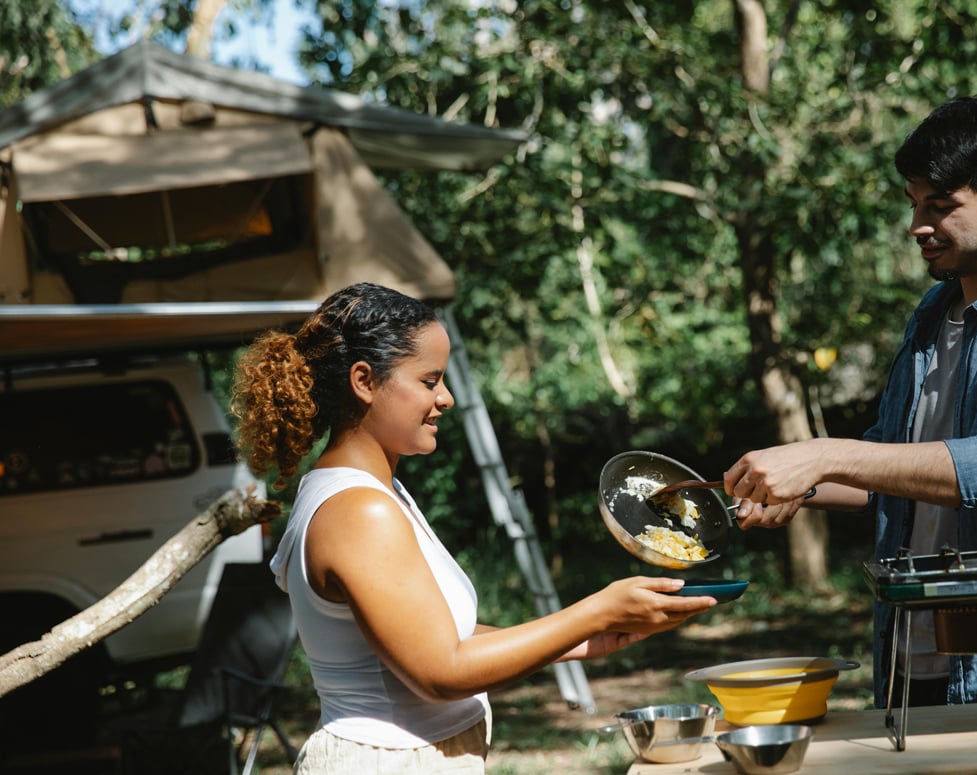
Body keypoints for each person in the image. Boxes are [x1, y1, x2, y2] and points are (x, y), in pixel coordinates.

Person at [723, 94, 977, 708]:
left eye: (941, 207)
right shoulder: (934, 313)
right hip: (910, 655)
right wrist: (794, 483)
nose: (918, 225)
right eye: (914, 204)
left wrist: (823, 455)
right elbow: (894, 468)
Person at [230, 282, 716, 773]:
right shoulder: (358, 510)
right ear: (364, 381)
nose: (447, 398)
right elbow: (441, 673)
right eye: (429, 380)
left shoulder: (374, 492)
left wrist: (569, 641)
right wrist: (594, 611)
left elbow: (435, 634)